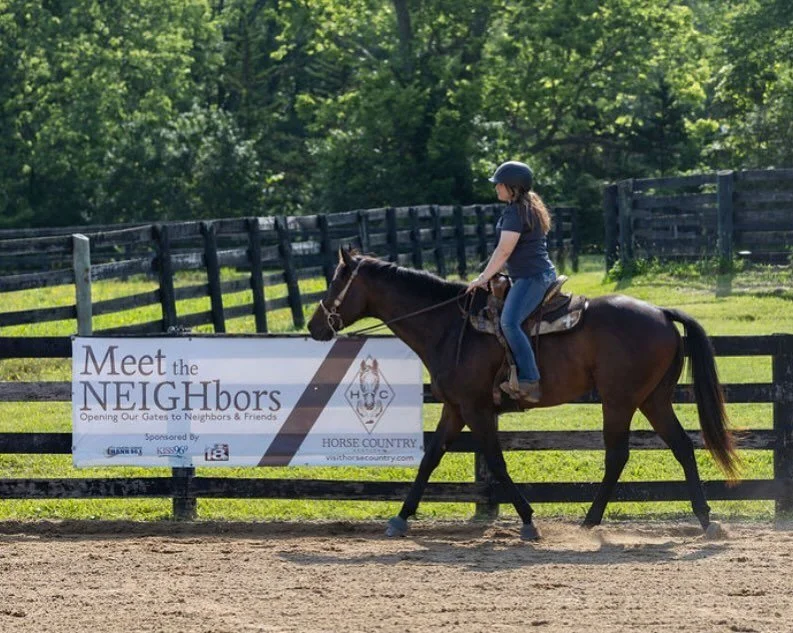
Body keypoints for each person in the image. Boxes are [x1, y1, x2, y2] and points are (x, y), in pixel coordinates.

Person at [466, 161, 556, 403]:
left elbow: (504, 251)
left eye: (500, 184)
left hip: (531, 277)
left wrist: (483, 278)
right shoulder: (525, 207)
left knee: (509, 322)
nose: (496, 188)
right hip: (535, 274)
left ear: (513, 187)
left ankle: (530, 380)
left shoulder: (516, 212)